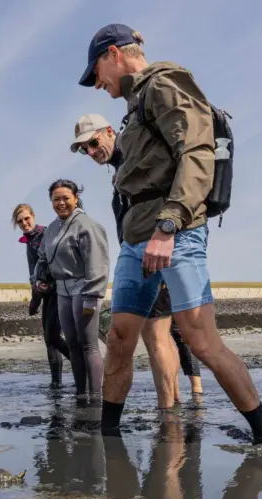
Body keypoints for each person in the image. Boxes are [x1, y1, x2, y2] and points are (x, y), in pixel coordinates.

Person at [77, 24, 262, 443]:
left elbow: (196, 152)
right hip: (135, 239)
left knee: (201, 341)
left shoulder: (164, 84)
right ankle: (108, 437)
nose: (97, 84)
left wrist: (169, 225)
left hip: (175, 232)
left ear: (113, 54)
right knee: (120, 336)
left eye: (96, 72)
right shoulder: (132, 105)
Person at [70, 113, 204, 406]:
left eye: (93, 143)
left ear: (108, 131)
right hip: (140, 257)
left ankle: (168, 410)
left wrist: (167, 254)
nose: (91, 152)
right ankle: (172, 405)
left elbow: (167, 193)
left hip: (157, 253)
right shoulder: (121, 166)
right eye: (84, 149)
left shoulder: (136, 153)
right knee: (156, 334)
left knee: (157, 335)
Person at [32, 180, 110, 400]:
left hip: (84, 289)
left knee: (88, 345)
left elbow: (98, 264)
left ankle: (96, 397)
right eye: (56, 199)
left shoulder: (87, 225)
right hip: (62, 291)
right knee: (73, 344)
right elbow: (43, 259)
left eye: (66, 198)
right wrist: (38, 281)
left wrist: (92, 297)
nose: (61, 203)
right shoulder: (52, 229)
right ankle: (80, 394)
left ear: (76, 198)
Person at [12, 203, 71, 388]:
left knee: (53, 336)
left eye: (26, 219)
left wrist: (49, 284)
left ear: (33, 216)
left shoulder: (46, 234)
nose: (24, 223)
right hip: (43, 292)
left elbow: (59, 261)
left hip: (58, 290)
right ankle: (56, 383)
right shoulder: (28, 242)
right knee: (49, 338)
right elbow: (33, 273)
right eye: (20, 221)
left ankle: (82, 367)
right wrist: (34, 299)